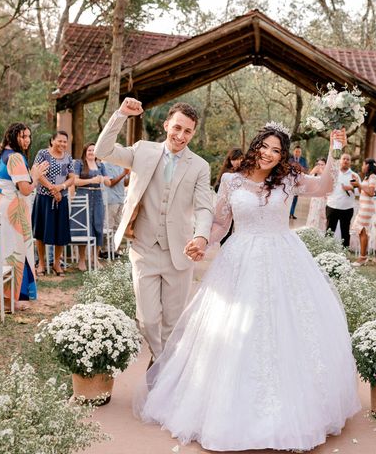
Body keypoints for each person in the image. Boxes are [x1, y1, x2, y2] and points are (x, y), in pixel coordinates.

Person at [136, 122, 360, 451]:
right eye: (266, 147)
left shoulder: (289, 179)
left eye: (277, 150)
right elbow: (219, 222)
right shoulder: (231, 180)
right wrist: (202, 242)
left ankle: (290, 411)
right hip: (238, 261)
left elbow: (325, 185)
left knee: (284, 329)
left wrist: (335, 147)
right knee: (234, 331)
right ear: (256, 146)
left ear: (282, 156)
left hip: (283, 259)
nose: (270, 154)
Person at [94, 98, 214, 362]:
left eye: (187, 131)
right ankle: (161, 361)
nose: (181, 136)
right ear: (166, 125)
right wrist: (121, 114)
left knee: (173, 323)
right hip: (145, 248)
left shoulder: (200, 167)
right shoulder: (142, 151)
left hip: (179, 252)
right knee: (147, 320)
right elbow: (102, 151)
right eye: (177, 128)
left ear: (193, 133)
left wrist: (201, 237)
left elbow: (205, 208)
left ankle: (160, 370)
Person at [0, 123, 49, 310]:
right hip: (12, 212)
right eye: (23, 136)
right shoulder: (15, 158)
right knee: (14, 253)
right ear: (13, 136)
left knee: (2, 251)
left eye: (28, 136)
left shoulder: (1, 154)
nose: (27, 140)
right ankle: (8, 300)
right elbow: (25, 189)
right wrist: (35, 176)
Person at [31, 131, 75, 276]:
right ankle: (41, 264)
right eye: (60, 141)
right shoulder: (43, 154)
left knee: (60, 232)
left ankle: (57, 264)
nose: (62, 144)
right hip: (44, 198)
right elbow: (37, 173)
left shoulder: (68, 157)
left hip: (61, 199)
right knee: (40, 232)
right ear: (52, 140)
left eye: (65, 141)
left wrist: (60, 188)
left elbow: (72, 178)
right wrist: (52, 188)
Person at [72, 143, 111, 271]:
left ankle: (95, 258)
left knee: (98, 226)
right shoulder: (79, 164)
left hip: (98, 198)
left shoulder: (101, 165)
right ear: (85, 151)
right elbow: (75, 181)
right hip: (83, 196)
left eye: (94, 150)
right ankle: (82, 260)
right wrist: (91, 180)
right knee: (83, 227)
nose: (91, 152)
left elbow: (108, 182)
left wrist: (103, 179)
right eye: (89, 150)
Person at [325, 152, 358, 248]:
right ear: (340, 160)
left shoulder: (354, 176)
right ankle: (326, 251)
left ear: (350, 162)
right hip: (332, 206)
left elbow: (359, 192)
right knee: (329, 231)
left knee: (345, 232)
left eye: (348, 159)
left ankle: (345, 253)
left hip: (347, 208)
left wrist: (351, 188)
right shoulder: (333, 173)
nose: (346, 161)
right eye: (344, 159)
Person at [350, 158, 376, 266]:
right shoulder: (367, 177)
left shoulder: (373, 177)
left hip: (367, 207)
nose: (362, 167)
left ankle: (362, 258)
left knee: (363, 231)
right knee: (361, 231)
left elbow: (371, 192)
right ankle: (363, 256)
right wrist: (357, 185)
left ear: (368, 165)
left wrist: (360, 184)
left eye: (363, 164)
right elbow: (363, 191)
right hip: (363, 206)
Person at [213, 148, 244, 244]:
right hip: (228, 206)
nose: (237, 162)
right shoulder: (226, 174)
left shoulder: (247, 172)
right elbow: (217, 188)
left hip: (241, 206)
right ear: (230, 161)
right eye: (234, 159)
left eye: (240, 159)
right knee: (225, 231)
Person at [103, 152, 131, 241]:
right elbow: (110, 183)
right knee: (108, 225)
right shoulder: (106, 165)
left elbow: (125, 183)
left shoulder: (121, 165)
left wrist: (129, 175)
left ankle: (114, 250)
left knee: (118, 226)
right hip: (111, 200)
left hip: (120, 199)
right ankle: (105, 250)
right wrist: (123, 173)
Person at [305, 157, 328, 231]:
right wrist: (312, 172)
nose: (320, 166)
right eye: (318, 164)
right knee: (313, 218)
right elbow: (306, 185)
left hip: (324, 201)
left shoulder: (328, 176)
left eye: (322, 164)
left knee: (322, 220)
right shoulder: (314, 175)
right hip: (314, 201)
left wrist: (321, 172)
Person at [289, 144, 308, 219]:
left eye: (299, 152)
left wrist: (301, 167)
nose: (297, 153)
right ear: (293, 152)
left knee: (295, 198)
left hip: (299, 182)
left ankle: (292, 214)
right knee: (289, 198)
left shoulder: (303, 160)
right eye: (296, 151)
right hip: (289, 181)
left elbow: (306, 170)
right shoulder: (289, 159)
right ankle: (288, 213)